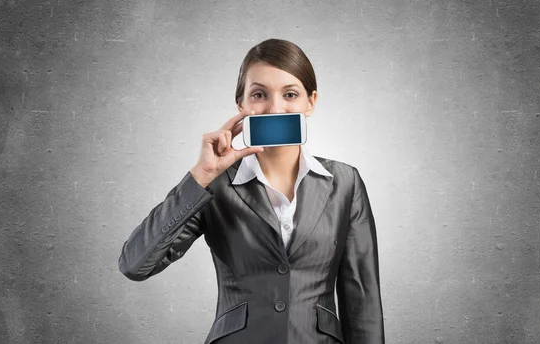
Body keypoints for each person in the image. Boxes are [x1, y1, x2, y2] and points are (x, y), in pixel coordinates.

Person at [118, 38, 385, 344]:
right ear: (242, 106)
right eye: (259, 94)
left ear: (310, 102)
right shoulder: (213, 185)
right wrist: (200, 176)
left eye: (290, 94)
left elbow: (361, 300)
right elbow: (135, 265)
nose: (274, 107)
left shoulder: (345, 182)